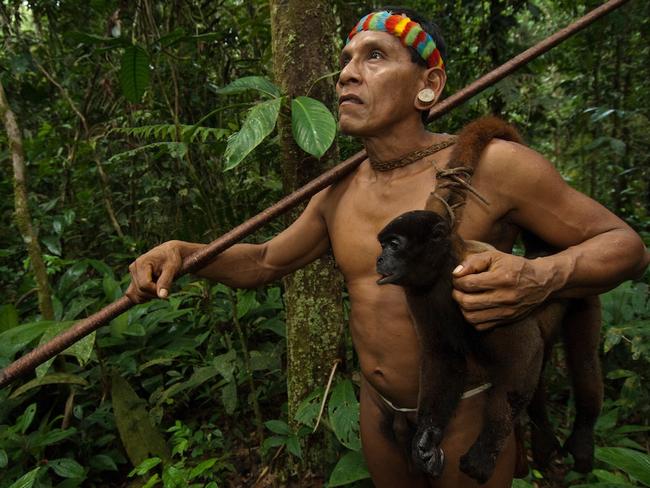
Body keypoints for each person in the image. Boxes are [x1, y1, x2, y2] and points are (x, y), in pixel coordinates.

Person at [126, 7, 649, 487]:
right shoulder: (336, 191)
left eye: (374, 57)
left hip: (466, 414)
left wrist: (542, 276)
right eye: (347, 60)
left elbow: (625, 245)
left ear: (429, 85)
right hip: (380, 418)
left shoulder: (496, 168)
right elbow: (264, 261)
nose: (347, 74)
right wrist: (183, 252)